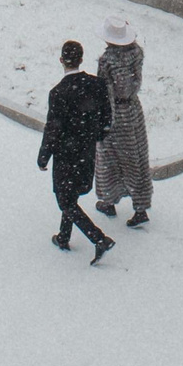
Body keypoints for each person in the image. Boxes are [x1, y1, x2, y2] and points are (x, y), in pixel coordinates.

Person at [38, 40, 114, 263]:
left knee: (65, 201)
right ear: (82, 59)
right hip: (86, 151)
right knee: (71, 195)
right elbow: (106, 119)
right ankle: (63, 237)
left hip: (65, 154)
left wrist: (44, 156)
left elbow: (53, 128)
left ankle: (99, 239)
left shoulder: (58, 93)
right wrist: (96, 136)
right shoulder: (97, 85)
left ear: (61, 61)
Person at [91, 17, 153, 227]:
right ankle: (141, 205)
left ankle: (109, 200)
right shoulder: (137, 55)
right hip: (133, 110)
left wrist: (103, 118)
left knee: (108, 158)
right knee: (135, 158)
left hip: (114, 113)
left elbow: (105, 91)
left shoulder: (107, 61)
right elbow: (133, 84)